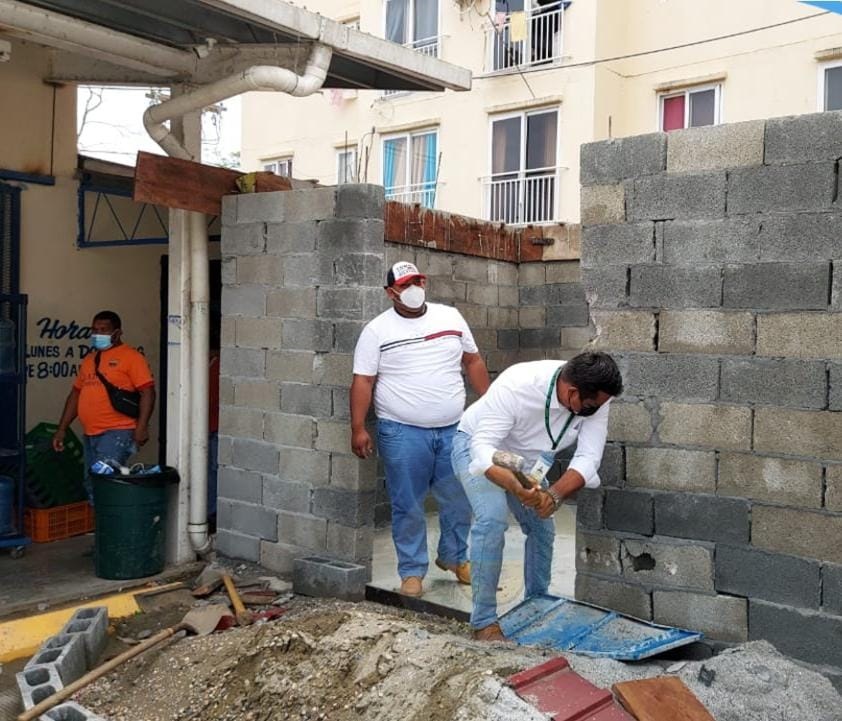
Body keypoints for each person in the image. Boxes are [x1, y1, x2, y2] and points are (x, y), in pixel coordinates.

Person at [451, 351, 623, 640]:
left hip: (527, 460)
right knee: (492, 520)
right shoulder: (518, 384)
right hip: (477, 444)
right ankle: (483, 622)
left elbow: (589, 457)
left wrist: (553, 496)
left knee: (542, 528)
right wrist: (515, 486)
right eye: (591, 406)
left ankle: (536, 606)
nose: (596, 410)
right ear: (572, 392)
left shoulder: (597, 398)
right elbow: (482, 450)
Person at [351, 261, 491, 598]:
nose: (414, 289)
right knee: (407, 504)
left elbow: (472, 361)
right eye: (406, 284)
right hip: (402, 433)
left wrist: (490, 405)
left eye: (418, 281)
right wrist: (358, 427)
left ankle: (455, 558)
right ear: (391, 292)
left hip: (453, 430)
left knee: (459, 498)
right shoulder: (376, 331)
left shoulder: (450, 317)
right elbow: (363, 380)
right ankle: (412, 572)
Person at [52, 310, 156, 498]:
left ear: (117, 332)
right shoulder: (90, 360)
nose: (97, 334)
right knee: (93, 482)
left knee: (106, 482)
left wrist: (141, 427)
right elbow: (76, 394)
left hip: (117, 432)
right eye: (94, 330)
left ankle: (114, 524)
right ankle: (103, 524)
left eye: (104, 330)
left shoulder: (131, 357)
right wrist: (62, 428)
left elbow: (148, 392)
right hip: (91, 434)